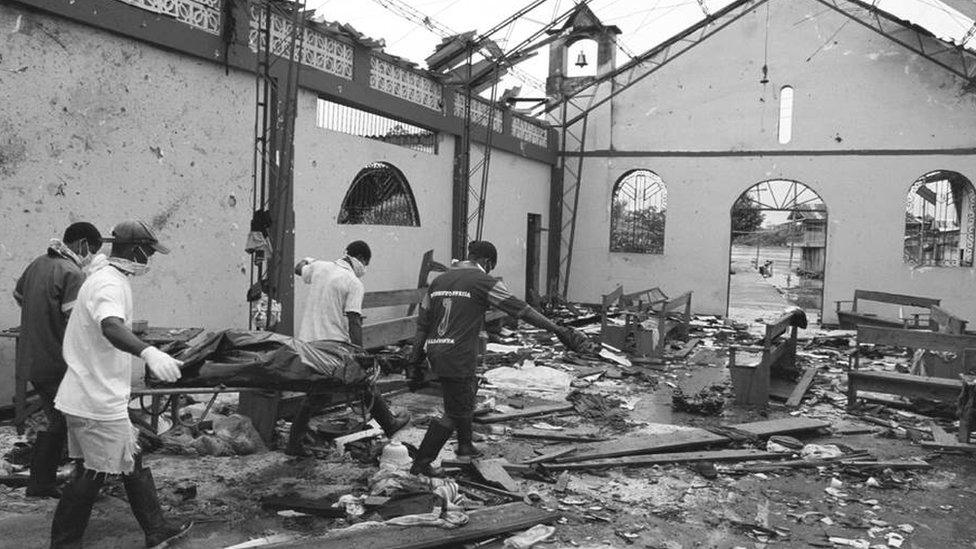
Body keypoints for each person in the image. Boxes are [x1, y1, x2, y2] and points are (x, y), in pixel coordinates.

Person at [49, 220, 191, 549]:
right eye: (148, 252)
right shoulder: (109, 284)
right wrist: (149, 352)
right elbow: (110, 326)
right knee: (92, 474)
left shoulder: (107, 277)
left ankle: (156, 529)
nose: (149, 260)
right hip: (95, 400)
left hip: (93, 394)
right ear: (134, 249)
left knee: (130, 457)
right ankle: (65, 543)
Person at [407, 240, 594, 476]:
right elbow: (521, 309)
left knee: (463, 396)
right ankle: (421, 465)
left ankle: (465, 446)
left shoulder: (437, 282)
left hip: (436, 351)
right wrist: (556, 329)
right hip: (459, 354)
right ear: (487, 262)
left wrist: (413, 362)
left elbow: (422, 325)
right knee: (454, 411)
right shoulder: (484, 282)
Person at [288, 240, 410, 456]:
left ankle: (295, 442)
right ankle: (389, 423)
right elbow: (354, 319)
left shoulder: (320, 267)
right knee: (361, 380)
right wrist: (360, 353)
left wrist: (309, 260)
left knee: (319, 392)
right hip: (333, 346)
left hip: (308, 344)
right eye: (366, 264)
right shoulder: (353, 282)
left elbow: (299, 267)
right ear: (361, 260)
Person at [14, 222, 103, 498]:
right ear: (82, 245)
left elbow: (19, 295)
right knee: (79, 423)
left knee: (57, 422)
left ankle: (41, 483)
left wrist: (41, 314)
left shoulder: (37, 264)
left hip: (32, 359)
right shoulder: (71, 273)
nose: (90, 256)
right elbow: (77, 324)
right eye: (92, 250)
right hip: (57, 361)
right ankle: (82, 487)